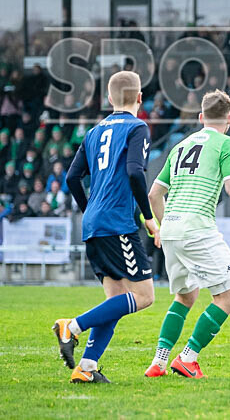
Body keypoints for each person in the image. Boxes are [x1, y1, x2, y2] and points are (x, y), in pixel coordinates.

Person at [145, 90, 230, 379]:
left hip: (173, 229)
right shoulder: (228, 144)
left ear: (201, 117)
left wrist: (165, 226)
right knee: (229, 296)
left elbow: (154, 193)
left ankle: (159, 361)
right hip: (197, 227)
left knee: (185, 297)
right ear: (229, 118)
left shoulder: (179, 145)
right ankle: (187, 357)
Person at [56, 71, 159, 384]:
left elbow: (72, 178)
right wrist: (149, 217)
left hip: (95, 222)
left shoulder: (93, 132)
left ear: (110, 99)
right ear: (139, 99)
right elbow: (135, 173)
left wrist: (90, 210)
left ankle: (86, 367)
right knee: (144, 296)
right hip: (117, 222)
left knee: (115, 299)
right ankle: (71, 327)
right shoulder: (138, 126)